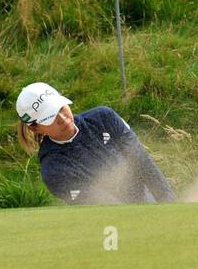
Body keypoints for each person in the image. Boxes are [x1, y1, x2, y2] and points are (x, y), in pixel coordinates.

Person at [15, 82, 178, 205]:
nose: (63, 119)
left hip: (149, 203)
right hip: (113, 229)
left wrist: (170, 203)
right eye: (49, 118)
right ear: (35, 128)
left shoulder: (103, 118)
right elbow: (104, 204)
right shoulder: (54, 169)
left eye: (60, 108)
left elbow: (141, 161)